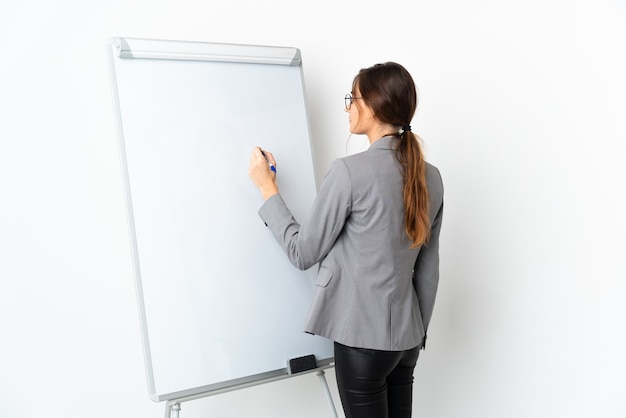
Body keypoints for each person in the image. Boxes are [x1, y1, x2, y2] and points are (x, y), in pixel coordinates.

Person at [248, 62, 444, 418]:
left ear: (371, 106)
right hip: (407, 339)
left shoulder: (349, 172)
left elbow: (303, 252)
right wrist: (416, 336)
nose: (346, 107)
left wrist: (267, 189)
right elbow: (428, 272)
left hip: (362, 344)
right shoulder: (431, 177)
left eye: (351, 99)